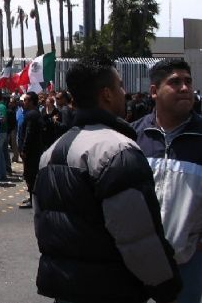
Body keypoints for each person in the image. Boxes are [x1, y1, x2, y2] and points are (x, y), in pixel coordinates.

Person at [33, 55, 181, 303]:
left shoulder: (51, 152)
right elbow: (137, 237)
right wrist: (167, 286)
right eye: (120, 85)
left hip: (65, 289)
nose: (125, 92)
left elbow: (43, 224)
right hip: (110, 290)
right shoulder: (118, 151)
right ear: (107, 94)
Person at [132, 59, 202, 303]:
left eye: (188, 82)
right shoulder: (132, 138)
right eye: (175, 82)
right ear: (154, 91)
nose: (185, 88)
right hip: (134, 266)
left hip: (187, 266)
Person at [18, 92, 43, 209]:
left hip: (31, 152)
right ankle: (32, 197)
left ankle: (33, 200)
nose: (24, 102)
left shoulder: (32, 115)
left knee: (30, 175)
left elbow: (29, 133)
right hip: (34, 150)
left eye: (27, 100)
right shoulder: (34, 114)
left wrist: (24, 149)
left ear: (32, 101)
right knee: (30, 175)